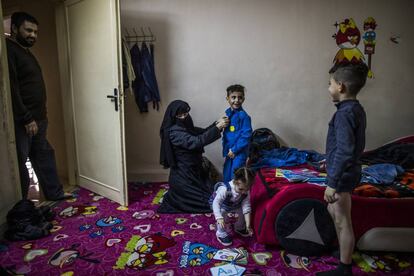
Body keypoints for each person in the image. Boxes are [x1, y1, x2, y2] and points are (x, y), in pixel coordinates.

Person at [6, 12, 71, 201]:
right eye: (28, 30)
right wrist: (26, 117)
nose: (33, 35)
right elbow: (12, 87)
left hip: (38, 119)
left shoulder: (24, 51)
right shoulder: (8, 51)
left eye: (35, 31)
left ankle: (54, 193)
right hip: (24, 121)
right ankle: (21, 206)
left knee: (44, 156)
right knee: (19, 165)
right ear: (15, 28)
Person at [316, 63, 368, 276]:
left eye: (330, 84)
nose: (328, 88)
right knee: (333, 210)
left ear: (341, 87)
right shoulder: (355, 109)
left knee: (342, 219)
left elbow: (346, 151)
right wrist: (329, 161)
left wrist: (332, 182)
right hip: (345, 170)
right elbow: (347, 146)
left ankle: (344, 268)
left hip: (343, 175)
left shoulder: (344, 114)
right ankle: (342, 251)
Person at [158, 100, 229, 213]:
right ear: (174, 116)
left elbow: (202, 132)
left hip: (194, 171)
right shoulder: (174, 132)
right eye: (180, 115)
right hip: (183, 176)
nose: (183, 117)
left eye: (185, 114)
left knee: (214, 195)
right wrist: (217, 128)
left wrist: (217, 124)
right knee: (209, 203)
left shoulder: (185, 126)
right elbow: (197, 141)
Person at [210, 167, 255, 246]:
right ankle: (221, 233)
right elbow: (216, 203)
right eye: (241, 189)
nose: (244, 192)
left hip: (235, 204)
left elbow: (246, 207)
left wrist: (248, 224)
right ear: (235, 182)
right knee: (222, 213)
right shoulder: (225, 189)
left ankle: (240, 227)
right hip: (222, 204)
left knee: (241, 212)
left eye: (247, 189)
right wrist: (219, 217)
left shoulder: (245, 191)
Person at [222, 84, 252, 182]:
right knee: (226, 175)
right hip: (229, 152)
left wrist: (234, 150)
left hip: (239, 153)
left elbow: (246, 136)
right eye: (233, 97)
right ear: (227, 98)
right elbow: (229, 134)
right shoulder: (228, 115)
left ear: (243, 99)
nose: (236, 100)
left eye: (240, 97)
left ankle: (236, 196)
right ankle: (226, 194)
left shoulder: (244, 116)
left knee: (235, 177)